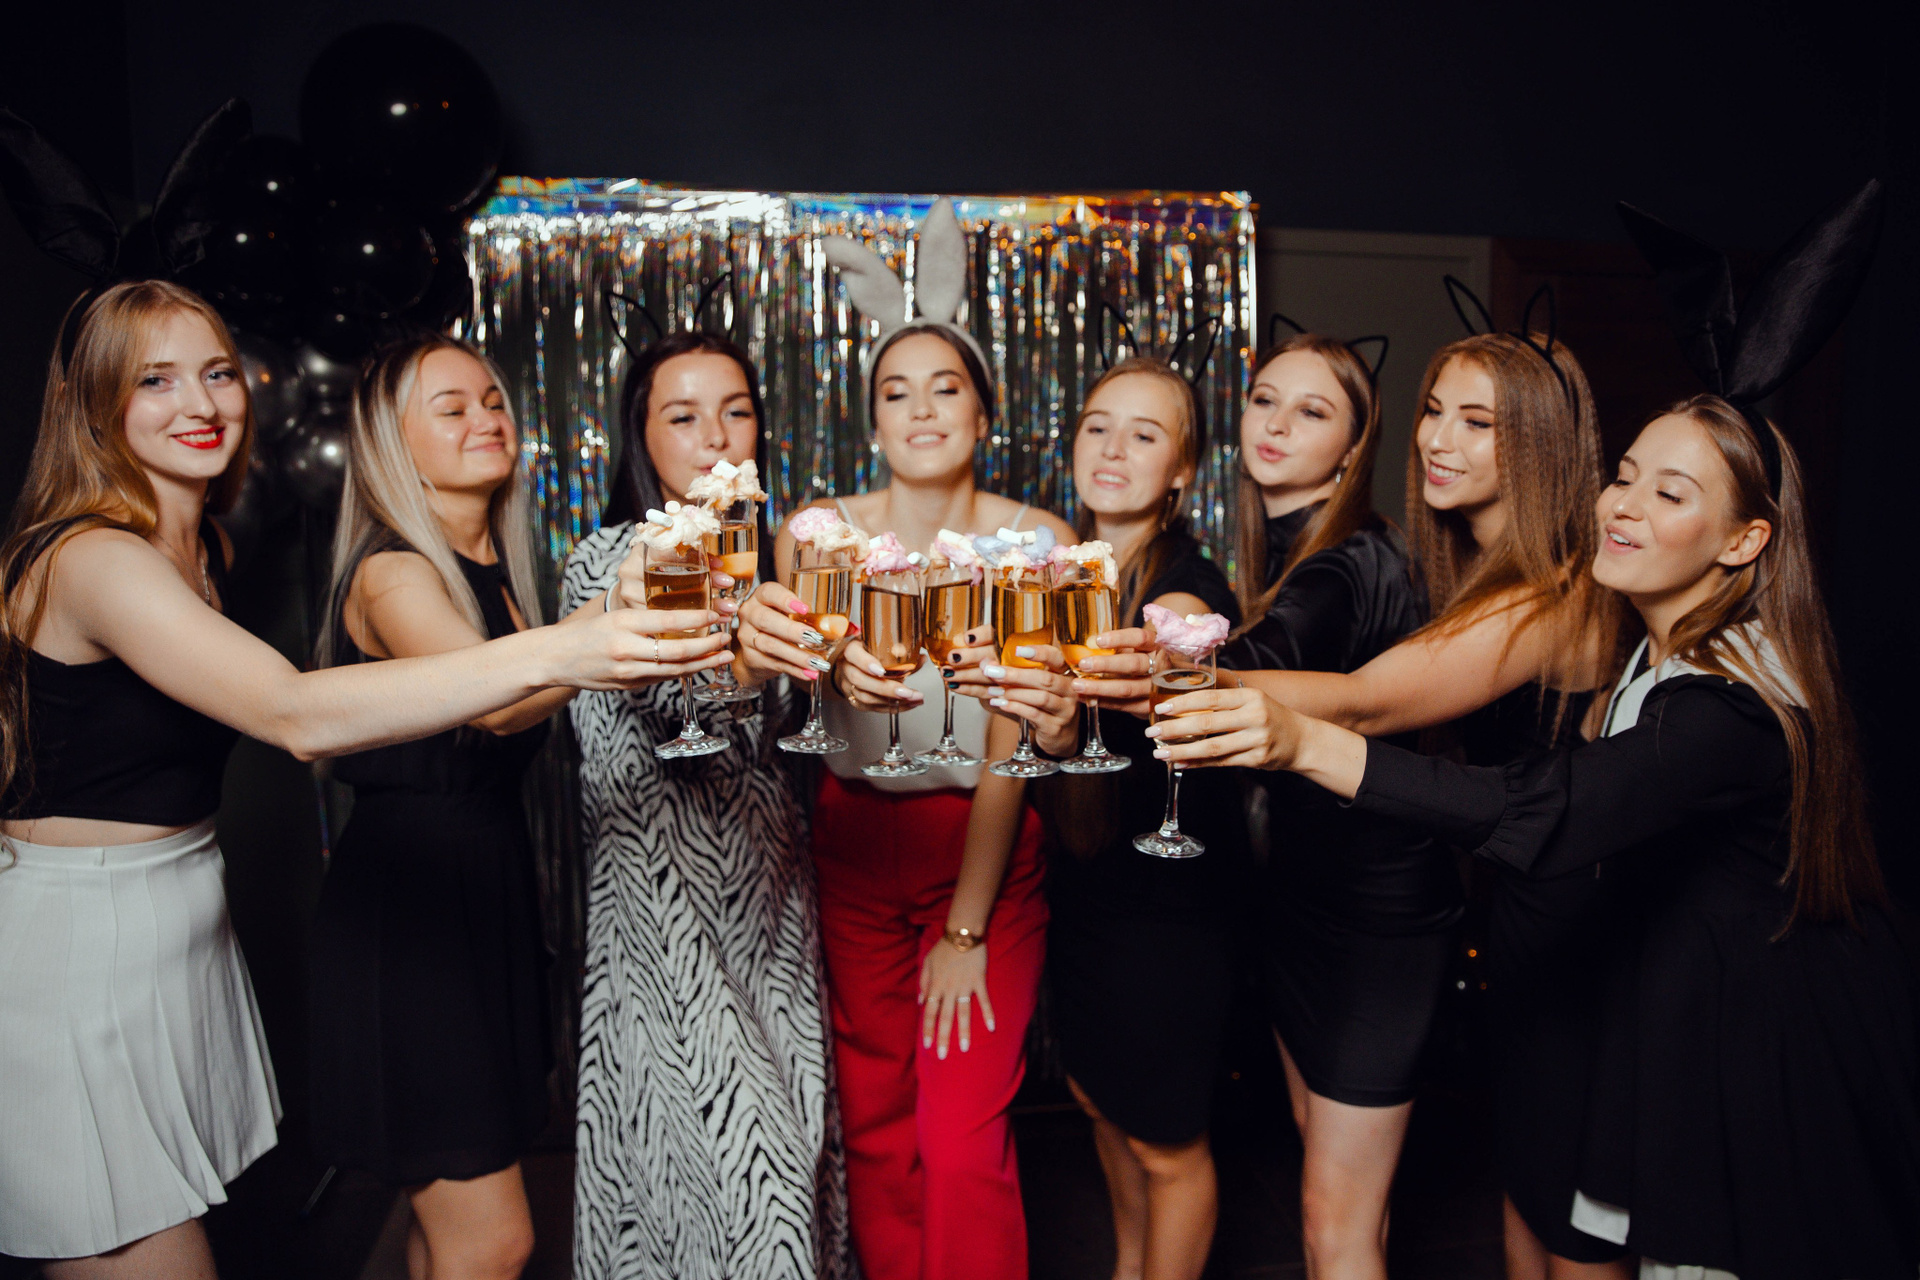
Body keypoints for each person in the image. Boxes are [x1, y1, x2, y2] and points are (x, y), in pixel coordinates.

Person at [0, 282, 725, 1278]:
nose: (201, 403)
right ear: (93, 403)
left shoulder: (204, 548)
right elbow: (293, 714)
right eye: (154, 381)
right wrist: (582, 640)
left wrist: (592, 633)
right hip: (83, 952)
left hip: (184, 930)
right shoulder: (93, 558)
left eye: (218, 373)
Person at [1160, 395, 1920, 1280]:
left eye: (1670, 494)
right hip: (1662, 1020)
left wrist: (1304, 745)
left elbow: (1545, 806)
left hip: (1760, 1057)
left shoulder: (1731, 704)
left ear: (1744, 542)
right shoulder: (1657, 645)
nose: (1623, 505)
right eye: (1625, 476)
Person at [1091, 318, 1623, 1277]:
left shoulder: (1547, 590)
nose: (1439, 440)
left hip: (1499, 921)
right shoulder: (1455, 566)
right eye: (1434, 411)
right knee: (1512, 1213)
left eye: (1477, 424)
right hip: (1444, 912)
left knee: (1516, 1222)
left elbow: (1368, 700)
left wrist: (1157, 677)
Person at [793, 195, 1079, 1280]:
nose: (920, 409)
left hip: (984, 847)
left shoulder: (1036, 541)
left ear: (984, 412)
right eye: (895, 391)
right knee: (877, 1125)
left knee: (958, 1139)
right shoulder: (819, 533)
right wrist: (830, 662)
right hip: (850, 843)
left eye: (945, 386)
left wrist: (967, 925)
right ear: (871, 422)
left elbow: (1016, 740)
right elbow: (801, 678)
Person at [561, 328, 853, 1280]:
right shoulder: (607, 561)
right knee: (749, 1192)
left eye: (736, 412)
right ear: (640, 438)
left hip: (772, 906)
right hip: (666, 920)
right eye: (683, 417)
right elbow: (664, 700)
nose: (716, 437)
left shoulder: (770, 562)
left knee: (796, 1158)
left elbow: (799, 734)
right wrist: (744, 662)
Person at [307, 333, 587, 1280]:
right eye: (453, 407)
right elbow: (497, 703)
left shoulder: (498, 571)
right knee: (494, 1238)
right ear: (393, 444)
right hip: (411, 922)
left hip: (483, 904)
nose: (487, 419)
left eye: (493, 400)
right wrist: (616, 624)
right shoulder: (394, 573)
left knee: (448, 1235)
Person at [1222, 332, 1443, 1280]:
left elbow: (1267, 660)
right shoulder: (1290, 545)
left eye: (1312, 411)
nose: (1276, 424)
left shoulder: (1349, 562)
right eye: (1265, 399)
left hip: (1374, 918)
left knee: (1334, 1223)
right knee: (1340, 1196)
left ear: (1354, 449)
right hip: (1301, 901)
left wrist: (1133, 660)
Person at [1036, 357, 1243, 1280]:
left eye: (1145, 434)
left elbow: (1178, 633)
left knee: (1166, 1143)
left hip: (1169, 917)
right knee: (1103, 1109)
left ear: (1181, 472)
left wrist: (1145, 652)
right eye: (1098, 426)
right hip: (1085, 897)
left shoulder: (1189, 583)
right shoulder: (1057, 573)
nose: (1114, 449)